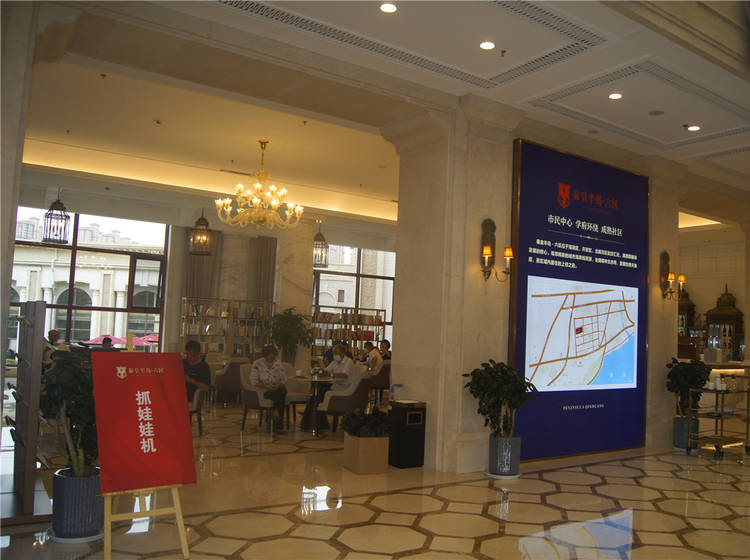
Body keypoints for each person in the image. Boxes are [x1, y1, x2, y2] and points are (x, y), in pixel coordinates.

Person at [251, 345, 288, 433]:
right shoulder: (257, 364)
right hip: (263, 391)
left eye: (273, 357)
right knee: (280, 395)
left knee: (282, 390)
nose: (271, 359)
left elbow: (283, 379)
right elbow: (253, 381)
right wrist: (266, 386)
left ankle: (274, 414)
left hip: (276, 389)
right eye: (269, 357)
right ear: (265, 355)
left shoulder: (278, 364)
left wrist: (277, 386)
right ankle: (278, 424)